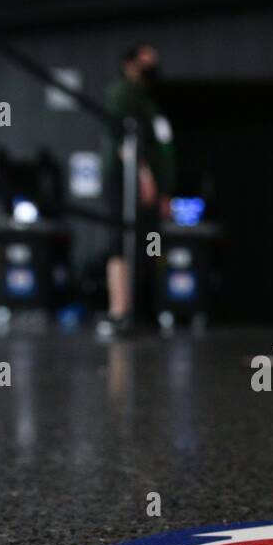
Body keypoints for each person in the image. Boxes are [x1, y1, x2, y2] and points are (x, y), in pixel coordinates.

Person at [101, 44, 176, 333]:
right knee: (121, 240)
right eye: (146, 60)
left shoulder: (147, 100)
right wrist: (143, 175)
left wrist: (165, 190)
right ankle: (119, 310)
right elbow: (123, 139)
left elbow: (162, 147)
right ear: (129, 63)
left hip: (150, 187)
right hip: (126, 180)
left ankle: (139, 310)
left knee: (145, 244)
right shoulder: (122, 92)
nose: (153, 64)